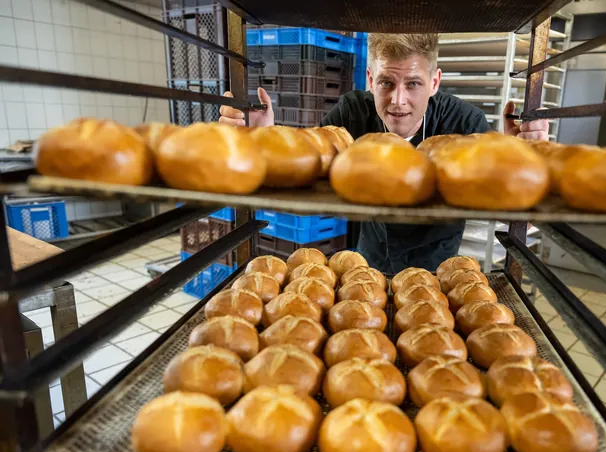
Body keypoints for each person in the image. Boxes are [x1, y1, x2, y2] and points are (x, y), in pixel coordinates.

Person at [219, 33, 549, 273]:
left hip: (438, 268)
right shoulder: (351, 113)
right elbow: (307, 166)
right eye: (386, 83)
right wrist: (264, 142)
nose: (398, 100)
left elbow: (517, 213)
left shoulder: (464, 123)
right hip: (369, 258)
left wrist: (520, 163)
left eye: (413, 84)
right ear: (370, 79)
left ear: (435, 82)